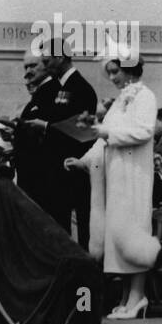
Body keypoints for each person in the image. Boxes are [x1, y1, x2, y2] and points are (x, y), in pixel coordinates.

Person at [66, 56, 161, 319]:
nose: (112, 78)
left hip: (135, 173)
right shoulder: (120, 101)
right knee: (120, 233)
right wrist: (83, 160)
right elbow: (102, 137)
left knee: (135, 231)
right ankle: (126, 296)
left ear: (130, 69)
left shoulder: (145, 96)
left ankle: (138, 296)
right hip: (117, 174)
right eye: (109, 72)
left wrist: (106, 134)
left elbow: (143, 131)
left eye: (115, 71)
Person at [42, 42, 99, 248]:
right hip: (60, 169)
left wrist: (46, 127)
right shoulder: (60, 88)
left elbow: (81, 130)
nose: (44, 65)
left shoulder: (81, 88)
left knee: (82, 225)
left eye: (47, 61)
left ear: (60, 58)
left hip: (74, 168)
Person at [12, 49, 61, 214]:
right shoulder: (40, 93)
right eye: (25, 67)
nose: (28, 72)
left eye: (33, 65)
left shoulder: (54, 91)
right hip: (31, 175)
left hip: (42, 177)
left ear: (46, 65)